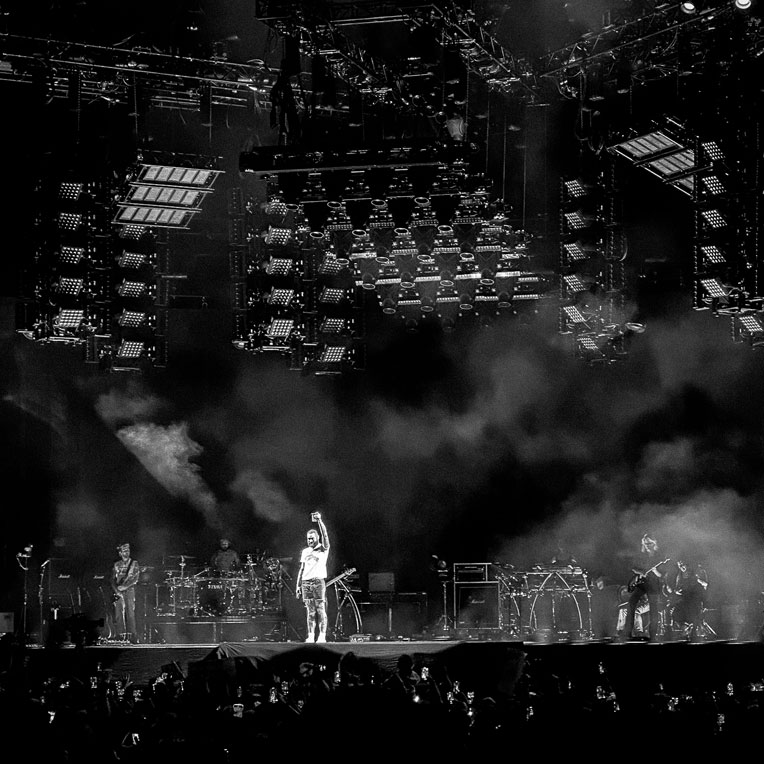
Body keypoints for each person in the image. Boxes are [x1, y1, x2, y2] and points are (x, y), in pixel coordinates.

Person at [622, 533, 669, 641]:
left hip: (653, 585)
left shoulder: (660, 557)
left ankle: (653, 634)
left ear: (654, 543)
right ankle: (627, 632)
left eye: (649, 543)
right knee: (631, 602)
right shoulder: (641, 555)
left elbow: (661, 575)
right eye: (645, 543)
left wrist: (655, 570)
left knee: (654, 609)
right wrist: (641, 572)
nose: (647, 545)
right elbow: (633, 568)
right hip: (642, 584)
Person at [295, 511, 330, 643]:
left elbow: (325, 535)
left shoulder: (323, 549)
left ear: (317, 539)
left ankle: (322, 635)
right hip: (305, 582)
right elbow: (302, 569)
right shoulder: (305, 551)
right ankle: (310, 635)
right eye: (308, 539)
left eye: (312, 539)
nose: (310, 541)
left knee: (320, 608)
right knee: (310, 611)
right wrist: (298, 585)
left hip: (318, 581)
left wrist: (320, 521)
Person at [667, 559, 708, 640]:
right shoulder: (680, 575)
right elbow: (677, 588)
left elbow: (706, 584)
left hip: (696, 597)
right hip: (684, 598)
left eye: (682, 564)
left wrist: (697, 579)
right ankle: (685, 629)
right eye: (679, 565)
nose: (681, 567)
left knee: (695, 611)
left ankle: (694, 631)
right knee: (674, 612)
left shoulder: (698, 570)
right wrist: (676, 591)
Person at [111, 542, 140, 643]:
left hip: (129, 590)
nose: (126, 553)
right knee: (119, 613)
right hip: (119, 591)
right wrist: (117, 590)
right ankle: (120, 634)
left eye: (128, 551)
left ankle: (133, 634)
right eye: (124, 551)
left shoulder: (134, 563)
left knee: (130, 612)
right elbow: (112, 579)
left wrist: (125, 586)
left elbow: (135, 579)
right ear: (120, 553)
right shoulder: (116, 565)